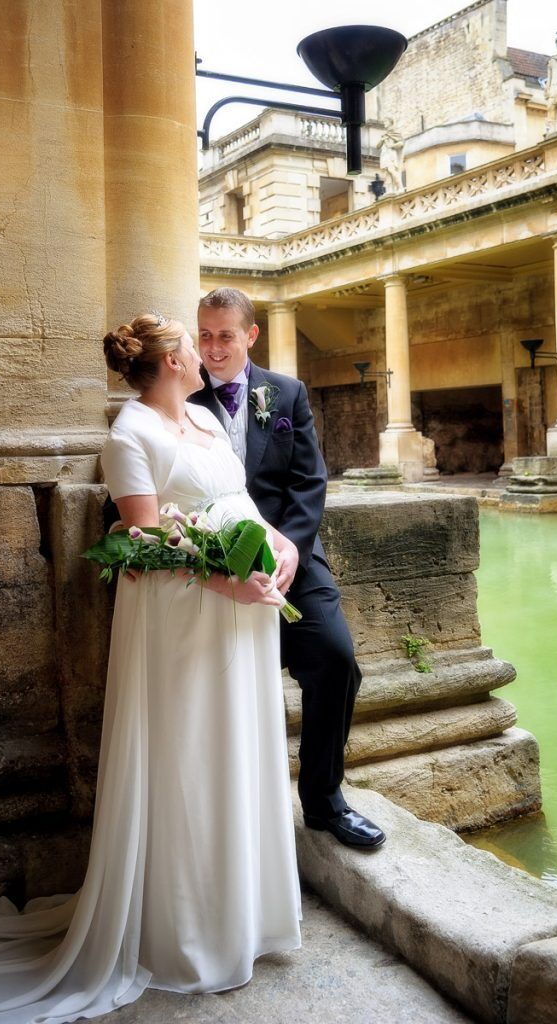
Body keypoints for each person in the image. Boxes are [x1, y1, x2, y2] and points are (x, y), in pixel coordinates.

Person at [0, 314, 302, 1023]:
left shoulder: (207, 420)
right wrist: (228, 583)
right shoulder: (129, 437)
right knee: (190, 760)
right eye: (189, 339)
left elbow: (235, 502)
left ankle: (250, 915)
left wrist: (280, 547)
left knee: (240, 750)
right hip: (182, 616)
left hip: (246, 609)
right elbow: (146, 541)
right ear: (174, 358)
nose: (201, 349)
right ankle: (188, 934)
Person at [189, 287, 386, 850]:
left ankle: (324, 802)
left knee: (336, 659)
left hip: (291, 555)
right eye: (204, 334)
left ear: (251, 335)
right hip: (211, 560)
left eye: (226, 335)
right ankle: (224, 821)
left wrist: (293, 547)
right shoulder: (180, 394)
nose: (214, 347)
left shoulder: (288, 393)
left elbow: (309, 480)